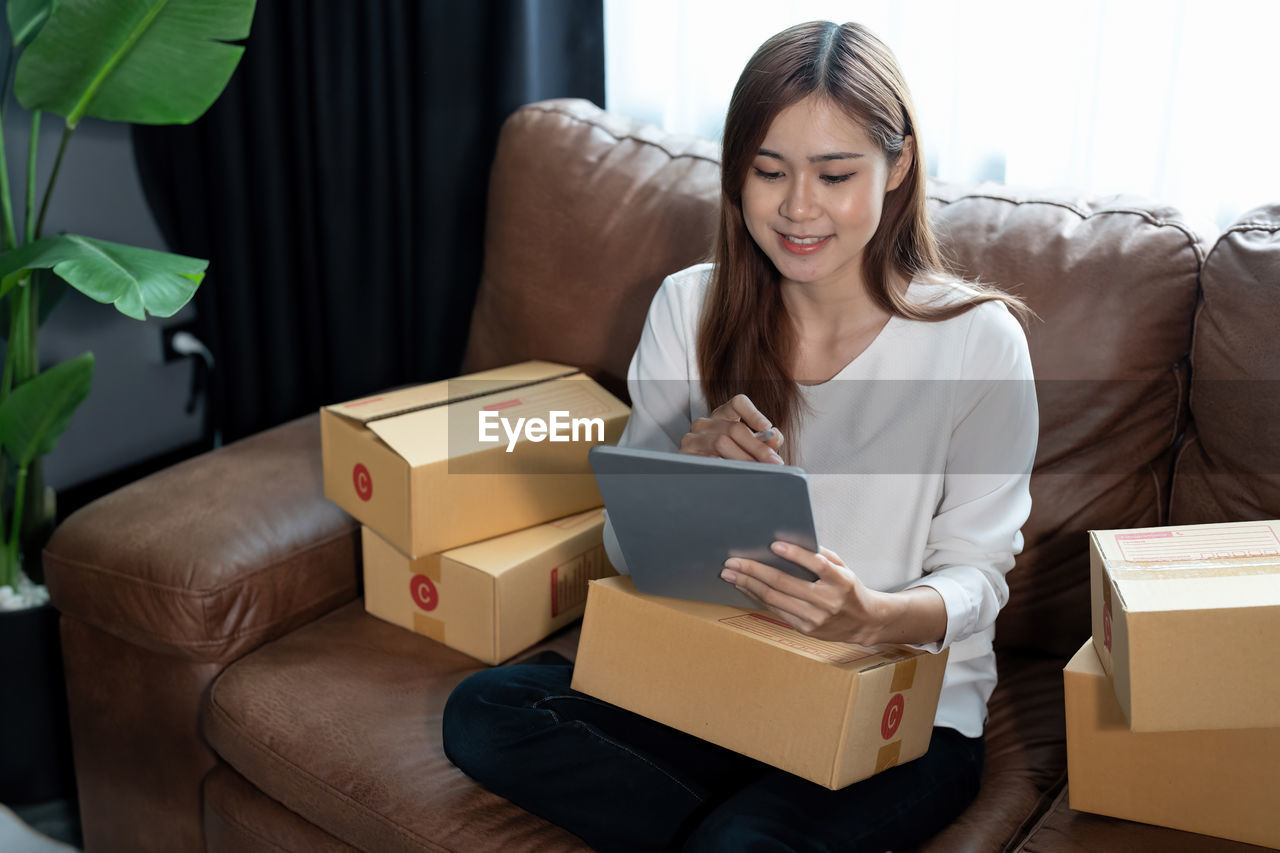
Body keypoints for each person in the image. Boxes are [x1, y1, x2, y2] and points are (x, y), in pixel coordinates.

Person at [442, 19, 1038, 852]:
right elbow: (624, 549)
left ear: (898, 166)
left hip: (900, 709)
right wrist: (680, 469)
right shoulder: (690, 307)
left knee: (741, 841)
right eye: (769, 172)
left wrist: (871, 615)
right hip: (721, 678)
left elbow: (979, 577)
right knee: (485, 711)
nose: (799, 208)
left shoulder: (977, 341)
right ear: (738, 173)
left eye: (835, 174)